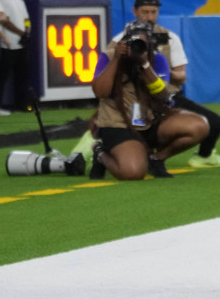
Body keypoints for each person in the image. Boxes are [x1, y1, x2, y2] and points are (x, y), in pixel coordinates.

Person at [109, 0, 220, 168]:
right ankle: (102, 150)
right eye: (145, 12)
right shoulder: (120, 41)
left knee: (215, 123)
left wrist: (160, 69)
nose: (150, 17)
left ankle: (194, 156)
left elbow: (182, 77)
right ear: (134, 11)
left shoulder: (169, 38)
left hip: (167, 97)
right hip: (134, 100)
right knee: (118, 129)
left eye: (154, 12)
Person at [89, 21, 210, 180]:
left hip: (149, 119)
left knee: (199, 126)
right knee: (133, 173)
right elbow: (100, 92)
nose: (137, 47)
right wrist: (117, 59)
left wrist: (145, 64)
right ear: (124, 41)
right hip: (119, 123)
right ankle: (100, 153)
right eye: (133, 42)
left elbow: (162, 95)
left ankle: (156, 159)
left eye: (142, 43)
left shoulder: (156, 59)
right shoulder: (109, 56)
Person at [0, 0, 31, 111]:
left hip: (21, 44)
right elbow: (5, 22)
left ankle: (22, 105)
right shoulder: (0, 0)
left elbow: (26, 19)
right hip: (8, 44)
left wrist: (27, 32)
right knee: (3, 76)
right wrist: (21, 33)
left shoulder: (20, 1)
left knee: (22, 77)